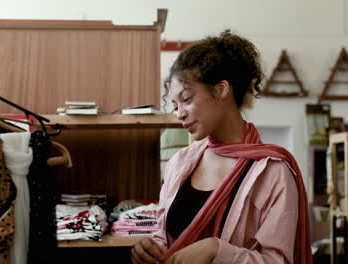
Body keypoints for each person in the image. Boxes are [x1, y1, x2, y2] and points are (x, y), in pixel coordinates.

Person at [131, 30, 312, 264]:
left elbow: (278, 261)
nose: (179, 113)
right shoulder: (179, 163)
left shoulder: (273, 173)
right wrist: (149, 248)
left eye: (186, 99)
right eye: (175, 105)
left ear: (220, 90)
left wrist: (216, 251)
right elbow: (164, 236)